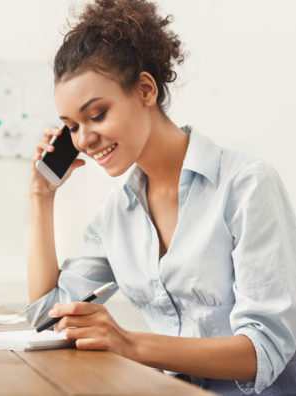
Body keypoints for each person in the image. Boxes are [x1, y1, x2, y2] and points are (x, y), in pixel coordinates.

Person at [23, 0, 296, 394]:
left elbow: (263, 351)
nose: (84, 139)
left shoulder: (247, 185)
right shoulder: (118, 214)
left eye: (96, 115)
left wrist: (130, 343)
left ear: (146, 90)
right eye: (72, 127)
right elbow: (47, 315)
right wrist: (41, 195)